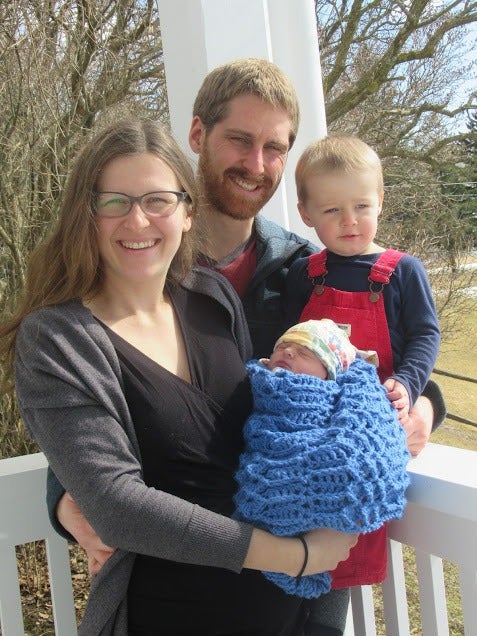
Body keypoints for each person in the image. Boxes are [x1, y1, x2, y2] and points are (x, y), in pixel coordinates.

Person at [47, 59, 445, 636]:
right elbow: (86, 396)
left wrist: (424, 403)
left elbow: (382, 353)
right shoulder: (144, 265)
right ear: (197, 134)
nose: (256, 164)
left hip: (310, 566)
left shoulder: (308, 267)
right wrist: (64, 497)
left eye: (274, 148)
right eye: (239, 139)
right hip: (190, 578)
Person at [0, 119, 358, 636]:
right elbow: (117, 506)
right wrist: (293, 556)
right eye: (114, 201)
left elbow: (284, 434)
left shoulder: (211, 297)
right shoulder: (58, 341)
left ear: (188, 212)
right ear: (88, 214)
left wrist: (415, 394)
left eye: (158, 200)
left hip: (287, 617)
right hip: (165, 614)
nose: (138, 220)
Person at [284, 134, 440, 610]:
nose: (349, 221)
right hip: (311, 427)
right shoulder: (303, 273)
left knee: (354, 519)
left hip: (370, 425)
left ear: (381, 200)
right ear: (306, 214)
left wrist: (410, 386)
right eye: (331, 210)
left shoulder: (402, 271)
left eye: (361, 205)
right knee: (303, 519)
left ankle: (334, 598)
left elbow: (425, 336)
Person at [234, 319, 410, 599]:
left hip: (322, 552)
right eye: (283, 346)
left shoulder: (343, 405)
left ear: (330, 371)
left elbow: (358, 464)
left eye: (306, 352)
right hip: (251, 558)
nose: (289, 352)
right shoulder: (254, 389)